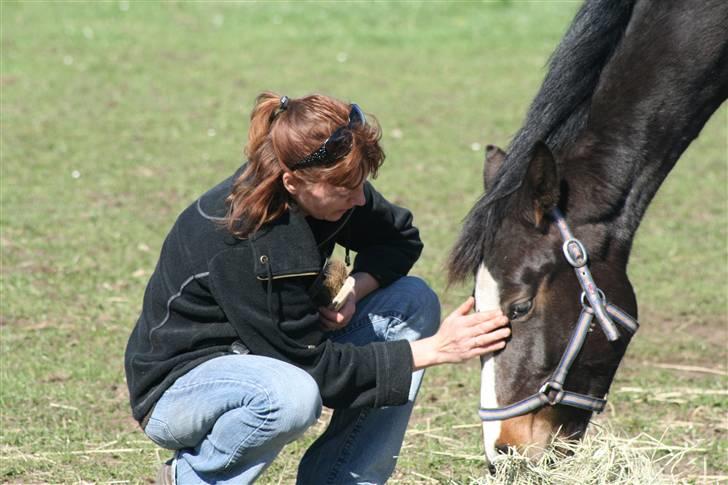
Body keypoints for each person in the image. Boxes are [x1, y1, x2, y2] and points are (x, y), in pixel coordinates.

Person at [124, 92, 511, 484]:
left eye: (361, 184)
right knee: (290, 397)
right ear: (292, 182)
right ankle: (191, 477)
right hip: (181, 388)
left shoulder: (330, 182)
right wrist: (435, 349)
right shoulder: (250, 238)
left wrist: (354, 290)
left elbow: (399, 239)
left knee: (411, 302)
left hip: (270, 353)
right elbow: (313, 370)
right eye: (346, 191)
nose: (359, 199)